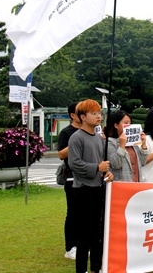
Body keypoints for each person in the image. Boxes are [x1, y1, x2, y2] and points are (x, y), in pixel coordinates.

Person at [67, 99, 114, 273]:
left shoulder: (99, 139)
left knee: (98, 233)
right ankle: (81, 269)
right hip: (83, 191)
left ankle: (96, 267)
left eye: (99, 113)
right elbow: (75, 163)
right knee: (85, 235)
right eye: (94, 113)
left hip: (98, 188)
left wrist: (106, 172)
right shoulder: (76, 138)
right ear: (82, 117)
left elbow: (102, 163)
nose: (98, 116)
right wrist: (96, 168)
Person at [57, 102, 81, 260]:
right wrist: (76, 140)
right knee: (73, 213)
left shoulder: (93, 132)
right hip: (72, 178)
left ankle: (83, 244)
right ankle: (70, 247)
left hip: (91, 178)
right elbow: (61, 154)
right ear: (73, 115)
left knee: (87, 214)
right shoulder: (67, 133)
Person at [104, 110, 149, 182]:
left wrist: (144, 145)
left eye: (130, 123)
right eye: (126, 123)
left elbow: (143, 162)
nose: (129, 125)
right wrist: (122, 145)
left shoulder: (133, 143)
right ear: (116, 125)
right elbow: (116, 164)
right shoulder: (110, 142)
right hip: (121, 186)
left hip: (137, 184)